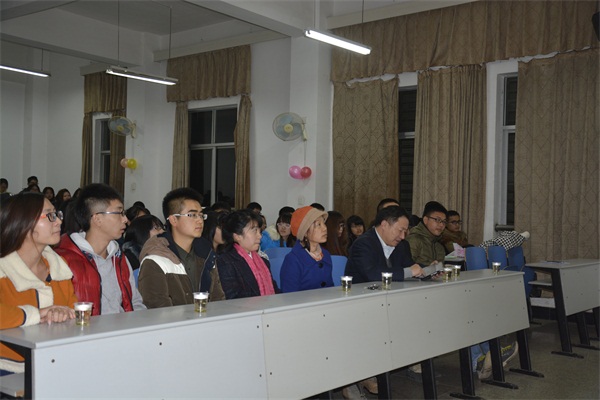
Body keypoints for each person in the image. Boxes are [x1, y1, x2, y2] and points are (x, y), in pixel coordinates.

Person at [0, 193, 77, 375]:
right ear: (24, 222)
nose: (58, 221)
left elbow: (72, 309)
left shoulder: (58, 266)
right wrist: (36, 314)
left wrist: (64, 314)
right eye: (50, 215)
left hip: (52, 364)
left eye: (57, 214)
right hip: (6, 368)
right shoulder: (3, 268)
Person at [55, 183, 145, 315]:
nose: (125, 219)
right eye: (119, 213)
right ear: (97, 219)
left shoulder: (120, 259)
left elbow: (135, 302)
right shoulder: (65, 260)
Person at [138, 188, 225, 308]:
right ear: (173, 219)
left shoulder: (206, 254)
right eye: (192, 215)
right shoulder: (155, 260)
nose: (200, 220)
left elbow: (218, 300)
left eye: (201, 215)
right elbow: (158, 311)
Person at [346, 206, 433, 283]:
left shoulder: (401, 245)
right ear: (384, 225)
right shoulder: (363, 244)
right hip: (363, 293)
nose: (403, 236)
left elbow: (410, 266)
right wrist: (408, 272)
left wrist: (429, 270)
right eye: (400, 230)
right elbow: (372, 274)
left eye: (405, 232)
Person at [217, 210, 278, 299]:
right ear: (237, 236)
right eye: (254, 231)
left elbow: (276, 291)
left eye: (260, 231)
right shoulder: (225, 262)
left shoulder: (263, 262)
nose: (260, 236)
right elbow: (233, 298)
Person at [280, 206, 333, 293]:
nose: (325, 228)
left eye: (324, 223)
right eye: (318, 225)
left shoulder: (325, 255)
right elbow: (289, 296)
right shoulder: (293, 260)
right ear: (304, 233)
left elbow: (330, 289)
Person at [406, 201, 448, 266]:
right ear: (425, 220)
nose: (441, 225)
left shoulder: (439, 246)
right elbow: (407, 267)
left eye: (444, 222)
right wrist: (428, 268)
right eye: (437, 220)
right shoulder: (414, 240)